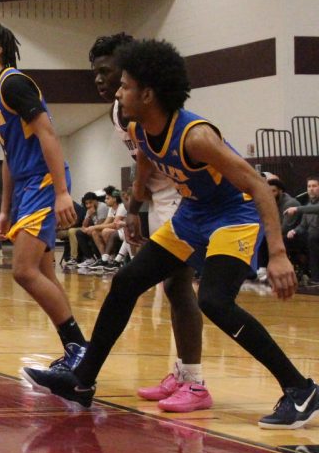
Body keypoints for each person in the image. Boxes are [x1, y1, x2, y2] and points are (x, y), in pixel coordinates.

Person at [22, 38, 317, 429]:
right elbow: (145, 165)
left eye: (125, 86)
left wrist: (278, 254)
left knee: (214, 300)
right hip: (192, 214)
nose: (119, 92)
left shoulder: (196, 136)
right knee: (127, 280)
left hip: (234, 216)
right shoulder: (139, 125)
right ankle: (82, 380)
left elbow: (259, 186)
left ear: (147, 93)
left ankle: (300, 389)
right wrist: (133, 210)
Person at [88, 32, 209, 410]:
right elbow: (142, 164)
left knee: (177, 285)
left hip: (185, 195)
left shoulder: (158, 110)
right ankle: (185, 375)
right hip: (158, 198)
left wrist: (134, 209)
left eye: (107, 72)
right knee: (173, 288)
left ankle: (194, 380)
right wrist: (135, 210)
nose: (100, 81)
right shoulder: (118, 113)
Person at [0, 22, 85, 365]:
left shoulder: (14, 83)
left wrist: (63, 192)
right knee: (46, 275)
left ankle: (80, 348)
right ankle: (75, 353)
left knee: (23, 271)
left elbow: (49, 134)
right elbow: (8, 154)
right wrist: (4, 210)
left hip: (43, 182)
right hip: (25, 186)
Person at [283, 176, 319, 284]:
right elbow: (303, 226)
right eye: (309, 186)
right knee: (287, 239)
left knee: (313, 236)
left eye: (314, 186)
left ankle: (316, 278)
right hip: (311, 237)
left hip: (315, 236)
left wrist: (297, 209)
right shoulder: (307, 205)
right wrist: (294, 231)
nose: (311, 189)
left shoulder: (307, 208)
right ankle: (294, 274)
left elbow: (316, 209)